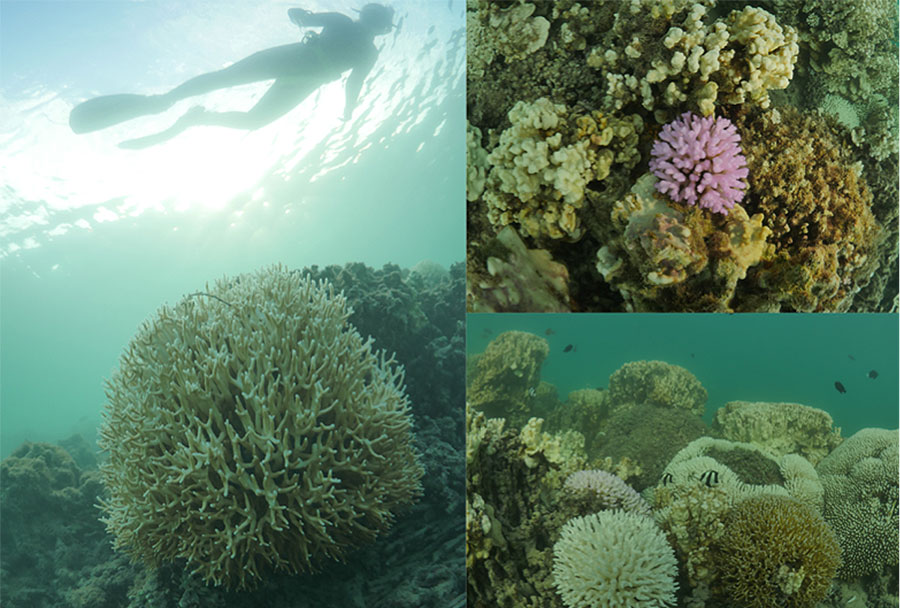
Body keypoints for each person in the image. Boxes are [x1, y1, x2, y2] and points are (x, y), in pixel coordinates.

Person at [69, 4, 395, 149]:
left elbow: (299, 16)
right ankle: (184, 112)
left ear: (367, 17)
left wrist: (300, 16)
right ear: (381, 28)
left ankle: (171, 106)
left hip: (296, 64)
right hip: (305, 73)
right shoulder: (368, 51)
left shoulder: (346, 27)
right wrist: (349, 110)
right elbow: (354, 83)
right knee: (240, 102)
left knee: (225, 83)